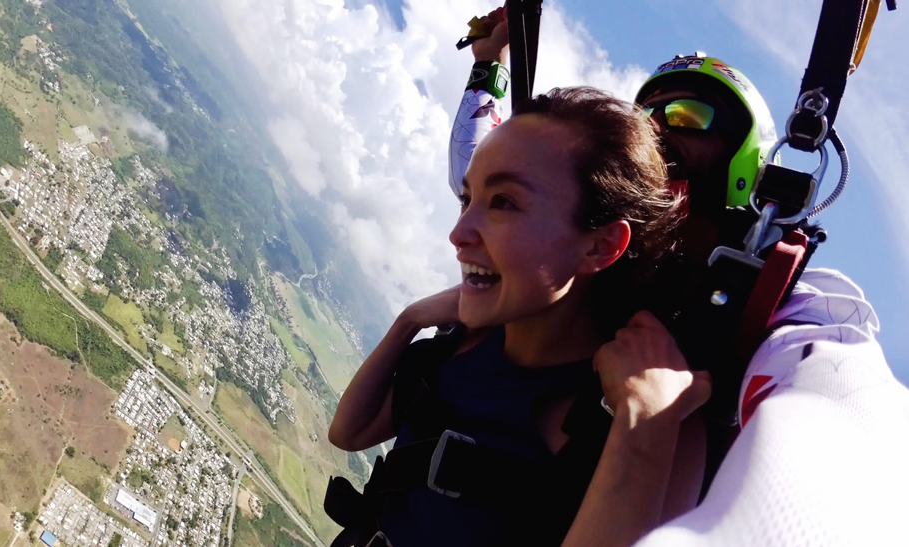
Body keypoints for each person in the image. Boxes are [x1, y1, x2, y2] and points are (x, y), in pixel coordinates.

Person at [448, 8, 909, 547]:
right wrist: (490, 66)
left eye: (690, 116)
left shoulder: (783, 304)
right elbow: (480, 173)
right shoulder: (586, 239)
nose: (659, 130)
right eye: (646, 120)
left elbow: (849, 423)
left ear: (744, 161)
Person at [328, 87, 711, 547]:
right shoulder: (460, 347)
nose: (458, 233)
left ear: (601, 245)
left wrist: (646, 423)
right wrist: (408, 321)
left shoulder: (653, 422)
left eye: (503, 202)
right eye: (467, 199)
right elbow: (349, 432)